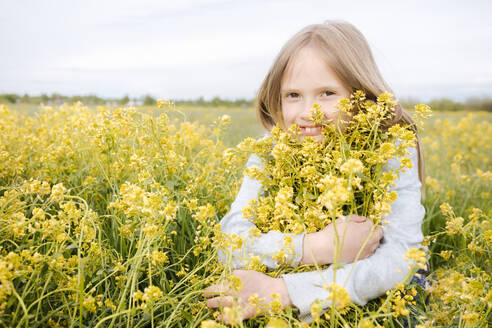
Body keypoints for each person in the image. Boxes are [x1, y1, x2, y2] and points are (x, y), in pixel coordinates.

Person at [203, 20, 426, 324]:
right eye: (293, 95)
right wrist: (316, 248)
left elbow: (401, 258)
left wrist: (283, 292)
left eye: (327, 93)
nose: (309, 112)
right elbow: (229, 243)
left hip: (365, 292)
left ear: (360, 94)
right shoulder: (270, 149)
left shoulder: (391, 145)